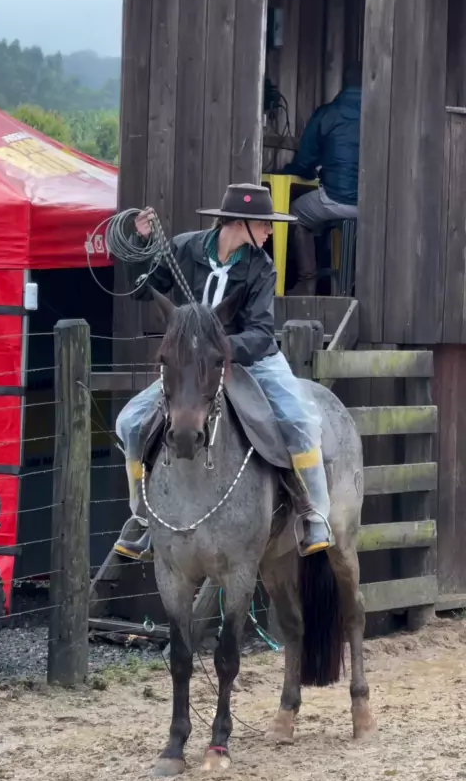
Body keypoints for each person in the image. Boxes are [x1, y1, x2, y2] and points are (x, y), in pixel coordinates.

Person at [113, 183, 331, 562]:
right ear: (240, 223)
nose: (269, 232)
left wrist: (218, 349)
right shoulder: (184, 248)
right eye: (264, 224)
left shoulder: (261, 267)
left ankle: (314, 515)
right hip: (194, 364)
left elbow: (261, 334)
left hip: (253, 358)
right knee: (130, 422)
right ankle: (142, 518)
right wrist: (141, 243)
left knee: (299, 419)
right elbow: (142, 289)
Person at [285, 62, 362, 295]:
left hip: (335, 200)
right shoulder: (382, 115)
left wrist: (299, 170)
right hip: (374, 207)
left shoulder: (327, 113)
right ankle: (351, 285)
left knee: (294, 214)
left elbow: (304, 162)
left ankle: (307, 281)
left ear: (344, 84)